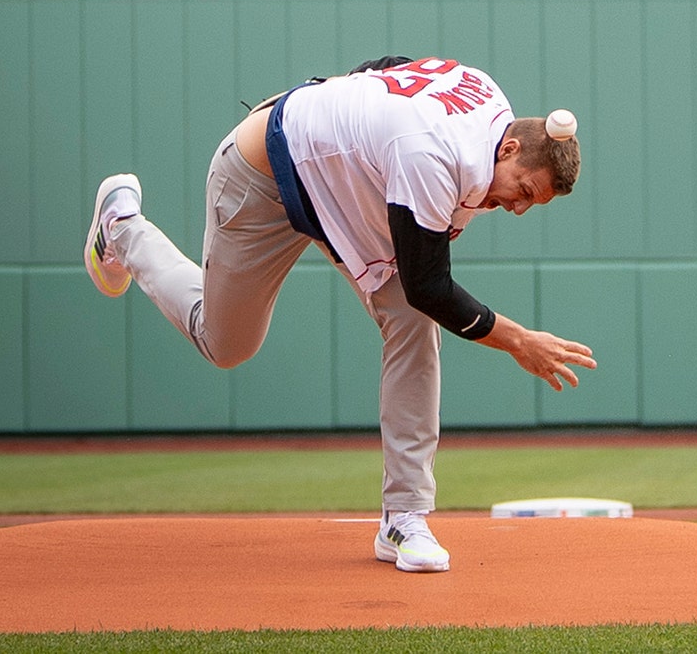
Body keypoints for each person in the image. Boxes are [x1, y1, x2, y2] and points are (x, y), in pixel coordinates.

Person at [83, 56, 596, 573]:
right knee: (227, 344)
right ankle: (123, 226)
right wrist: (518, 340)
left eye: (535, 203)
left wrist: (344, 126)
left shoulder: (486, 98)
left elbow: (388, 66)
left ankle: (405, 516)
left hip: (350, 191)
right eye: (525, 191)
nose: (518, 207)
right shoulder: (433, 155)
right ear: (508, 148)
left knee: (412, 325)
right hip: (264, 173)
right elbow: (429, 286)